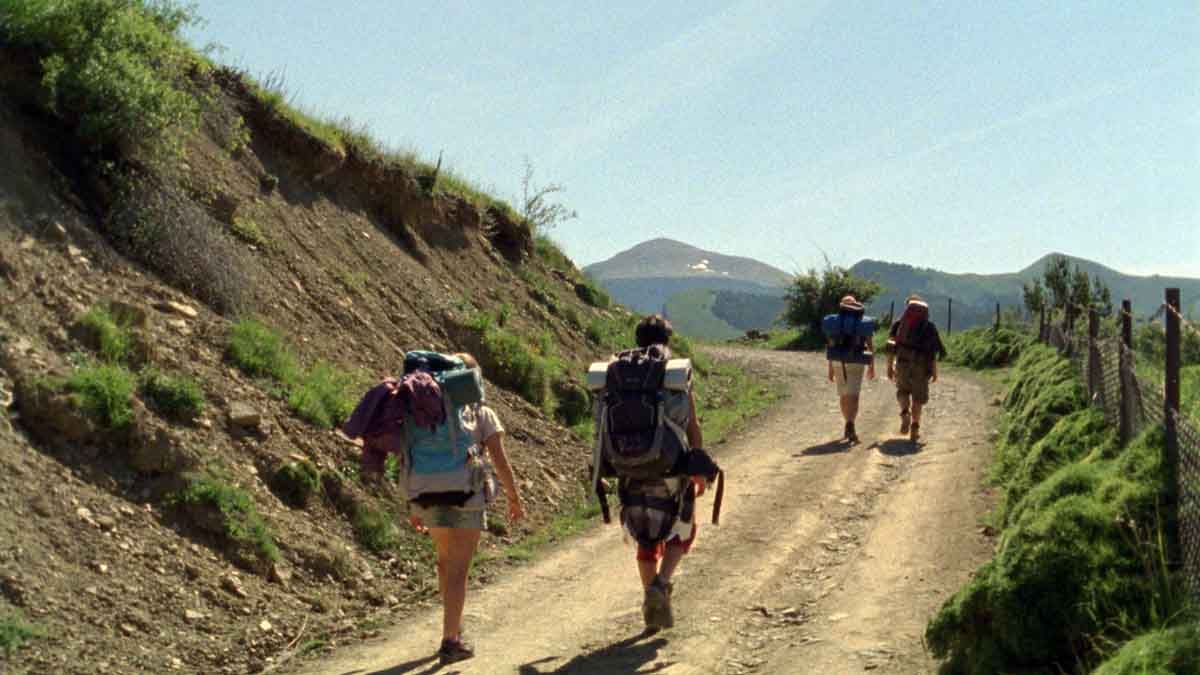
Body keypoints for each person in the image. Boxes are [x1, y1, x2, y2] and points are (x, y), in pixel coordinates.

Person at [348, 352, 524, 665]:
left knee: (445, 562)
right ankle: (450, 640)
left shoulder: (417, 409)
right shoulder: (480, 412)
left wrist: (413, 504)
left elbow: (405, 455)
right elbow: (498, 458)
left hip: (424, 492)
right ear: (471, 380)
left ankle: (452, 624)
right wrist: (513, 496)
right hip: (466, 495)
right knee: (459, 569)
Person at [617, 315, 708, 632]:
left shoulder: (620, 374)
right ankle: (661, 585)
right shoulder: (674, 374)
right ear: (667, 340)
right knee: (682, 530)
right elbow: (692, 425)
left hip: (628, 467)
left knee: (645, 536)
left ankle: (650, 602)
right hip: (671, 469)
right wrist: (698, 466)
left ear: (638, 339)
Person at [886, 296, 947, 442]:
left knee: (903, 391)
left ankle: (905, 412)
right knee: (918, 398)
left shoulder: (899, 324)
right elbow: (932, 353)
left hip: (902, 363)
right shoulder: (929, 327)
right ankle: (915, 427)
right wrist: (934, 371)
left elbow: (890, 347)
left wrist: (889, 366)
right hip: (921, 366)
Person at [825, 295, 876, 443]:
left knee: (843, 395)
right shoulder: (862, 322)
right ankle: (850, 423)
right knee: (854, 395)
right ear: (856, 306)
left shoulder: (835, 322)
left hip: (837, 360)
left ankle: (847, 422)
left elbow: (830, 345)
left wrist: (830, 368)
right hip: (857, 359)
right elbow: (870, 345)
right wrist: (871, 366)